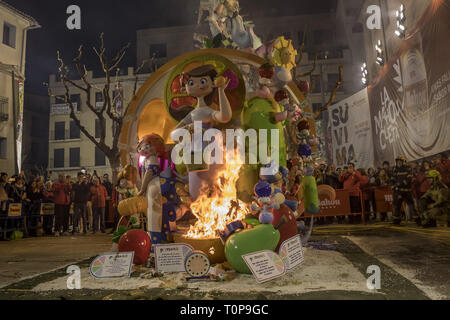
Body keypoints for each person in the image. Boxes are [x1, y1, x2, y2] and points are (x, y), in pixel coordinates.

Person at [391, 155, 419, 226]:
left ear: (403, 162)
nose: (398, 163)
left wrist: (400, 184)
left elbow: (409, 179)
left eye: (400, 161)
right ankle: (396, 221)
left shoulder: (408, 169)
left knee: (411, 206)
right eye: (397, 161)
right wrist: (393, 187)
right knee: (396, 206)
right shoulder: (395, 170)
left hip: (406, 191)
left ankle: (417, 220)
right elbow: (392, 180)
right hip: (398, 192)